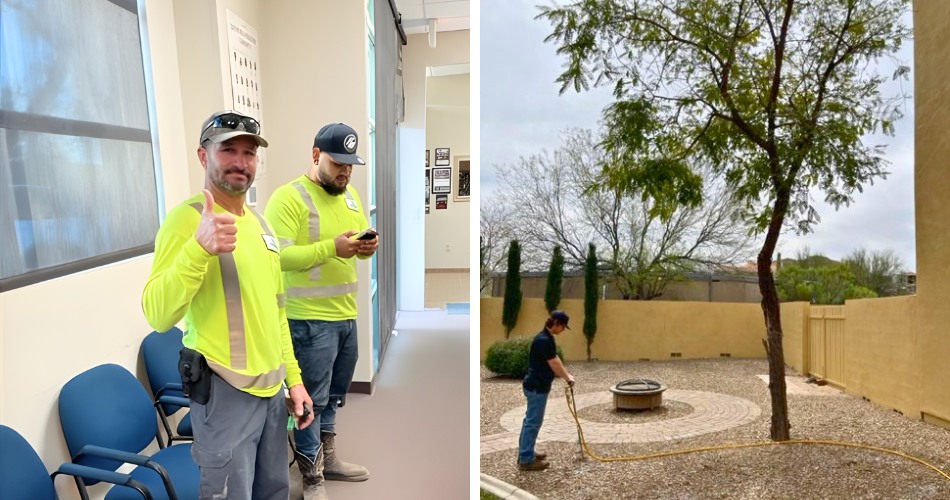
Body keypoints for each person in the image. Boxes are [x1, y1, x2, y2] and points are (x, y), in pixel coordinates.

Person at [142, 110, 314, 500]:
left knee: (274, 491)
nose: (240, 161)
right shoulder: (185, 221)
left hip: (272, 396)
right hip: (224, 396)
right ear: (203, 156)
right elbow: (157, 314)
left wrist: (294, 380)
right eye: (228, 150)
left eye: (249, 152)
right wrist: (198, 250)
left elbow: (277, 312)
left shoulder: (262, 225)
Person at [265, 122, 377, 498]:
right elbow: (278, 257)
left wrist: (366, 247)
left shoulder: (350, 196)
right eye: (337, 164)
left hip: (345, 316)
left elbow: (355, 242)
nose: (345, 172)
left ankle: (328, 460)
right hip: (308, 320)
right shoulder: (288, 198)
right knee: (309, 400)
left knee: (333, 396)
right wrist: (331, 248)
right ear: (316, 155)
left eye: (350, 166)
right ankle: (311, 477)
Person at [518, 310, 576, 472]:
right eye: (563, 327)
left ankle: (526, 451)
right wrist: (567, 378)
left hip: (536, 385)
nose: (563, 330)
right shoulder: (543, 340)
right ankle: (526, 459)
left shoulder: (546, 337)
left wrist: (567, 374)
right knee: (533, 422)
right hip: (537, 387)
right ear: (556, 323)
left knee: (530, 421)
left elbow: (555, 358)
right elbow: (554, 363)